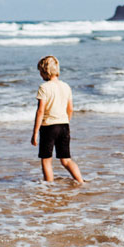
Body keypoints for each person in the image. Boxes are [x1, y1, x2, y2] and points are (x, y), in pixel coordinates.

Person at [31, 55, 84, 183]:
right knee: (66, 160)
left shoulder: (44, 87)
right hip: (64, 125)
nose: (40, 75)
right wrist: (66, 122)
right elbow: (70, 108)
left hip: (49, 127)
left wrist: (35, 133)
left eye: (40, 71)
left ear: (45, 71)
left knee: (46, 159)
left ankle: (49, 186)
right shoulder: (66, 86)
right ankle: (80, 181)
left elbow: (40, 111)